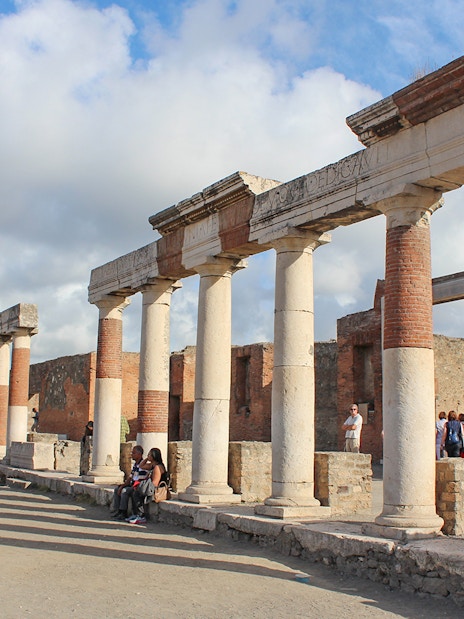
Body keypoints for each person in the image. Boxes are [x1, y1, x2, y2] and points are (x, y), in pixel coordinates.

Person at [128, 447, 168, 525]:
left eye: (149, 455)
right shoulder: (152, 465)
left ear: (154, 456)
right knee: (135, 491)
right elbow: (141, 466)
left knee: (137, 493)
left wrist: (144, 488)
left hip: (157, 489)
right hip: (152, 486)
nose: (148, 456)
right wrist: (147, 458)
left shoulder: (157, 467)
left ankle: (141, 515)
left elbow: (155, 483)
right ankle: (136, 514)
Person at [111, 445, 148, 521]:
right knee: (117, 489)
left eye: (134, 453)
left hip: (137, 486)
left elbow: (141, 480)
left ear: (139, 454)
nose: (132, 455)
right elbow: (130, 477)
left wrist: (127, 486)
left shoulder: (143, 465)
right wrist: (122, 485)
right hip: (132, 484)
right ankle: (117, 510)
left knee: (125, 491)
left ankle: (123, 512)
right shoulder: (135, 465)